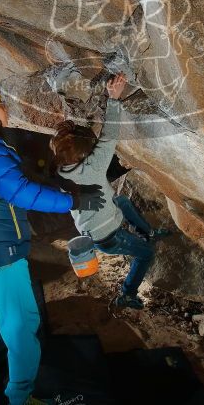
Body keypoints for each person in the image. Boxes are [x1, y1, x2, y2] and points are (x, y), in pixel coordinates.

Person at [0, 84, 105, 405]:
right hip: (2, 250)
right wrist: (75, 200)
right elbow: (20, 192)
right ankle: (21, 396)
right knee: (22, 325)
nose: (5, 107)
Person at [49, 74, 168, 310]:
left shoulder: (60, 172)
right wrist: (114, 98)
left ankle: (149, 232)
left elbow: (62, 142)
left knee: (122, 201)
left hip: (91, 224)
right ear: (85, 154)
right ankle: (128, 294)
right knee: (145, 255)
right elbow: (109, 136)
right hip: (108, 238)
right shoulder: (92, 168)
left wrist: (66, 129)